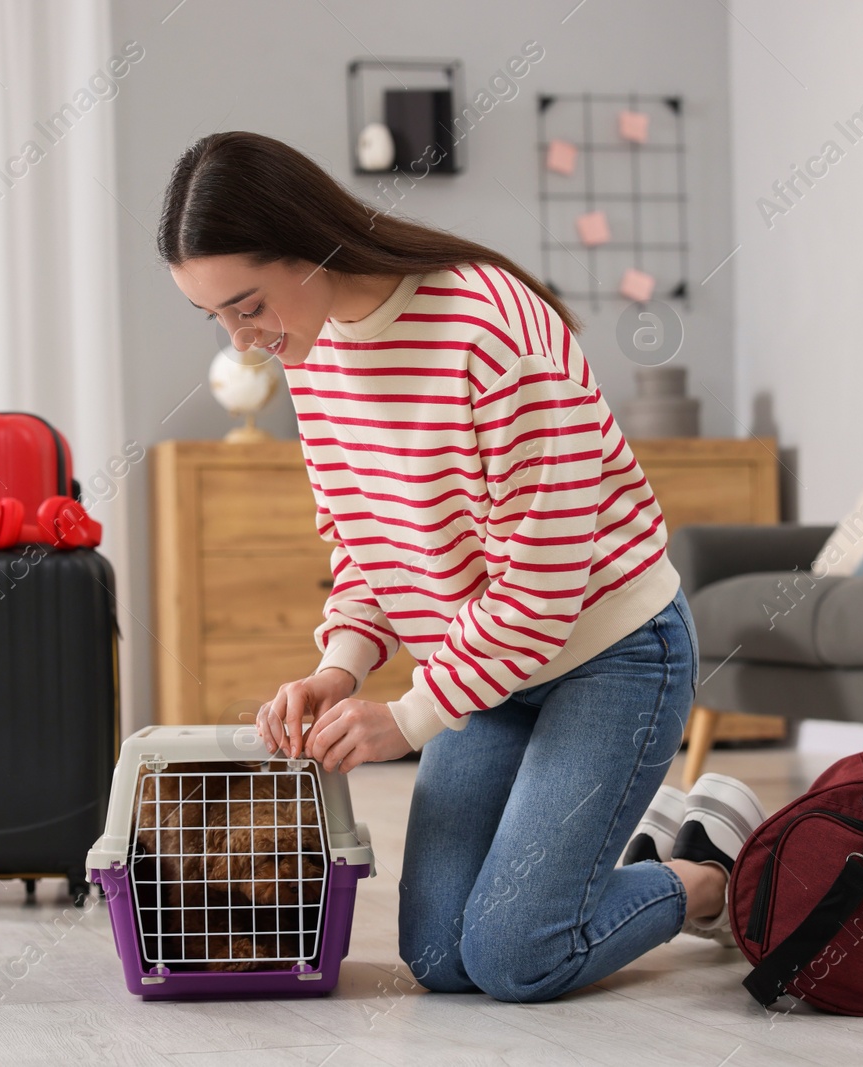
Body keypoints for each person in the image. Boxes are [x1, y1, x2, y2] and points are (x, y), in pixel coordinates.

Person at [156, 131, 766, 1003]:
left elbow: (544, 588)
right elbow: (363, 540)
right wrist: (341, 666)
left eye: (247, 306)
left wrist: (407, 718)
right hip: (483, 673)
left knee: (518, 954)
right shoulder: (314, 349)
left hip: (611, 654)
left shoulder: (490, 328)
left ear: (309, 246)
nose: (242, 340)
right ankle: (625, 840)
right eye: (216, 317)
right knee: (441, 958)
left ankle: (703, 869)